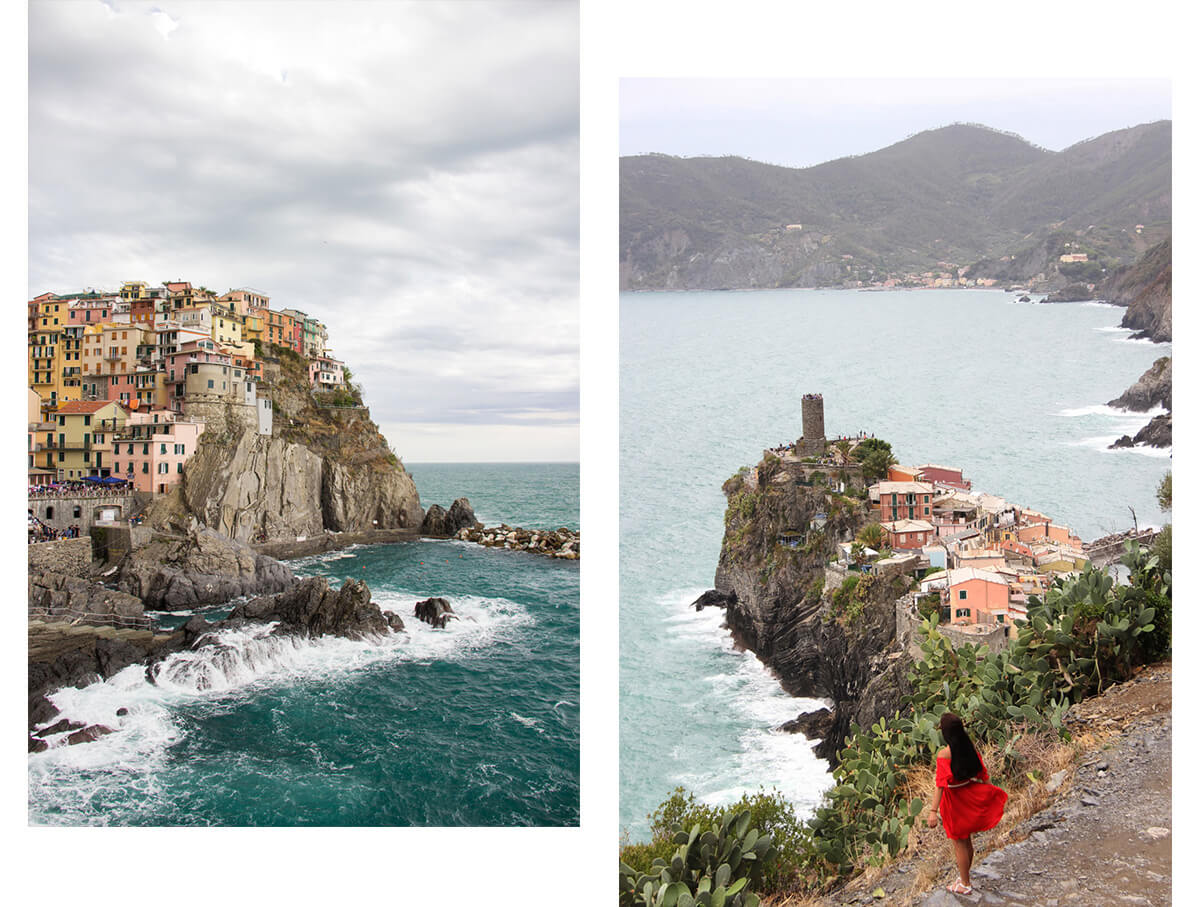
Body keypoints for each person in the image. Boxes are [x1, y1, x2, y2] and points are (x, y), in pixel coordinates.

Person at [926, 712, 1007, 896]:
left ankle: (965, 884)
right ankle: (965, 877)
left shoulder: (944, 754)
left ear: (945, 733)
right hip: (969, 795)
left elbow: (940, 785)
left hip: (954, 800)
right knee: (967, 840)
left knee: (960, 843)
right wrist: (990, 794)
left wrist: (932, 811)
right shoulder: (969, 749)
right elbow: (982, 774)